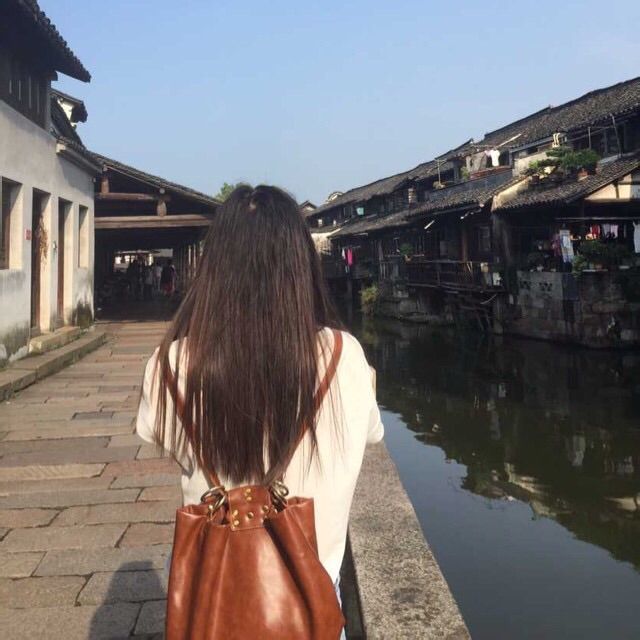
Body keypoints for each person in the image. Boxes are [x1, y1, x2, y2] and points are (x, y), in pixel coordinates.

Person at [135, 185, 383, 638]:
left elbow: (156, 432)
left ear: (214, 268)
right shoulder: (344, 356)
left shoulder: (171, 363)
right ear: (301, 266)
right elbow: (372, 434)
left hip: (209, 609)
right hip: (311, 609)